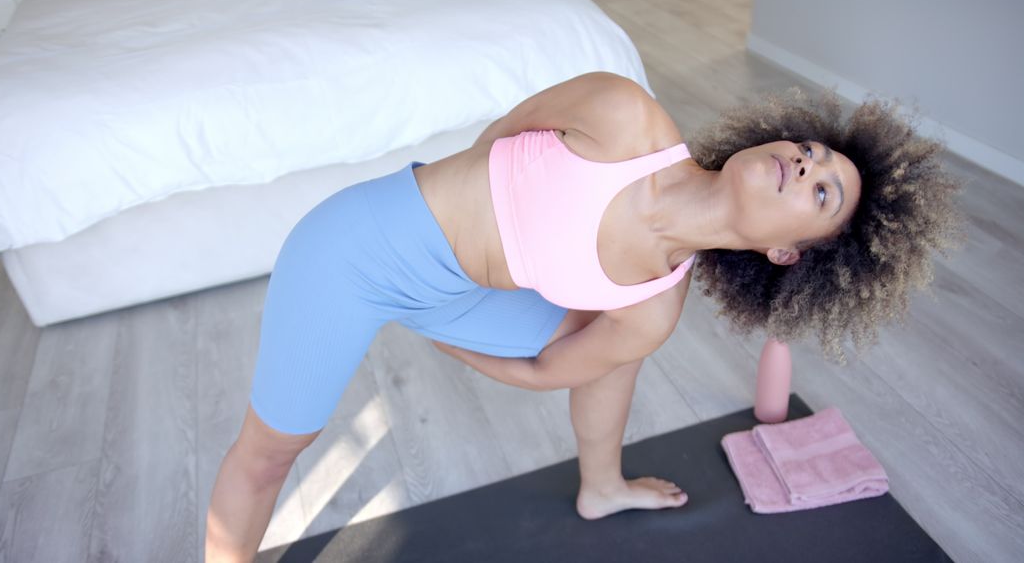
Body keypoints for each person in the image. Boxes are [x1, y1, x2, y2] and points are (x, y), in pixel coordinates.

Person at [204, 72, 962, 560]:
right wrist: (477, 202)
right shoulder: (623, 116)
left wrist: (443, 336)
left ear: (790, 253)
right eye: (810, 149)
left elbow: (543, 371)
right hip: (354, 253)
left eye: (821, 191)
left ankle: (600, 485)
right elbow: (503, 131)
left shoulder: (652, 305)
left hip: (458, 296)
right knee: (271, 452)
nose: (805, 162)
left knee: (615, 345)